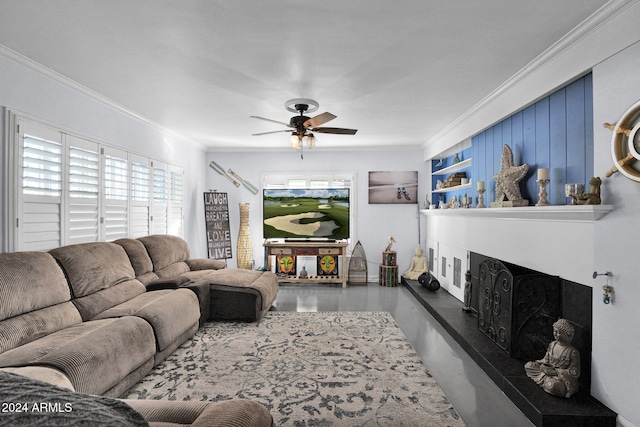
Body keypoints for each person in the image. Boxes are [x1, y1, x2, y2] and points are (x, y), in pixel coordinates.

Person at [524, 318, 580, 398]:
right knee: (528, 365)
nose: (556, 334)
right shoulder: (553, 344)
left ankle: (546, 382)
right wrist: (542, 365)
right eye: (555, 331)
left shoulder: (572, 352)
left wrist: (557, 372)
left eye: (559, 333)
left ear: (567, 334)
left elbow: (575, 372)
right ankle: (545, 380)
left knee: (554, 386)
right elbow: (546, 360)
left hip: (559, 378)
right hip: (547, 372)